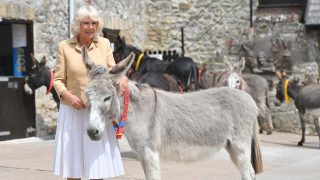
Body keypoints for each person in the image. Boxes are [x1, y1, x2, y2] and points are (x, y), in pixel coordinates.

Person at [53, 5, 127, 180]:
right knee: (73, 168)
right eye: (86, 23)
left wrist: (122, 78)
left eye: (94, 23)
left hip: (98, 111)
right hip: (73, 111)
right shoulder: (64, 47)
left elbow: (113, 70)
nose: (91, 27)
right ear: (78, 25)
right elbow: (57, 80)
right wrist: (69, 97)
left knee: (97, 167)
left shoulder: (104, 44)